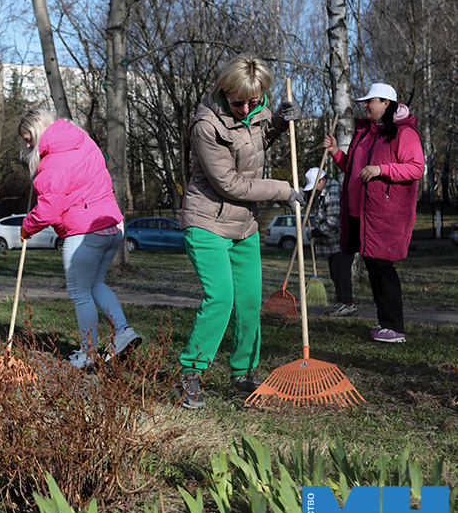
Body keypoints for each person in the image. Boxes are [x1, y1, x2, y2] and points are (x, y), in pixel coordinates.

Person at [177, 53, 305, 409]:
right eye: (238, 102)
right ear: (224, 91)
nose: (246, 108)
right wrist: (283, 190)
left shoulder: (256, 108)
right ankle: (189, 373)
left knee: (249, 301)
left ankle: (243, 372)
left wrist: (277, 121)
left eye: (255, 101)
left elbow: (256, 139)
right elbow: (230, 183)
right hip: (207, 221)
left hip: (244, 224)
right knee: (221, 298)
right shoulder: (205, 125)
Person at [17, 108, 142, 370]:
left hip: (83, 233)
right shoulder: (82, 140)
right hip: (112, 227)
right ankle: (123, 331)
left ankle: (88, 353)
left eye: (29, 138)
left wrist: (27, 226)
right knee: (96, 284)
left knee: (80, 293)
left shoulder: (54, 161)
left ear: (40, 131)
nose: (27, 145)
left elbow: (48, 211)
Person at [323, 83, 424, 343]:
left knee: (381, 267)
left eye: (371, 101)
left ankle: (394, 328)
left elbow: (415, 168)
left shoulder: (403, 133)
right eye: (365, 102)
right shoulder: (365, 133)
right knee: (373, 265)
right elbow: (354, 168)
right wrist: (336, 152)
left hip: (385, 213)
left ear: (386, 104)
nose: (365, 105)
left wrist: (383, 169)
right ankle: (385, 324)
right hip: (360, 214)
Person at [303, 167, 356, 316]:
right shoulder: (322, 191)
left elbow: (333, 223)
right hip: (333, 243)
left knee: (341, 271)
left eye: (315, 187)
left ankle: (347, 303)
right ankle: (341, 302)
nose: (314, 191)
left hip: (343, 239)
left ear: (323, 180)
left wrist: (315, 232)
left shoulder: (332, 191)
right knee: (335, 272)